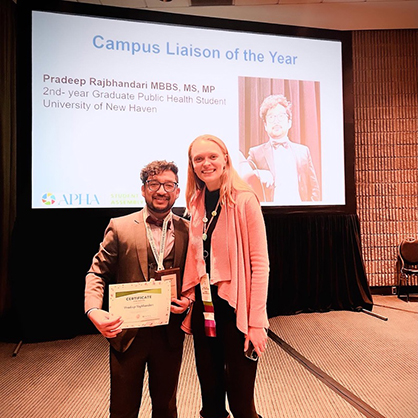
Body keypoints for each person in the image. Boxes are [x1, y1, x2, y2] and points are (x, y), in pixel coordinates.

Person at [84, 160, 190, 418]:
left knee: (166, 408)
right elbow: (97, 272)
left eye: (168, 185)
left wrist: (189, 300)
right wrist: (92, 309)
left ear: (177, 191)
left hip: (169, 334)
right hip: (127, 333)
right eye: (153, 184)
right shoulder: (119, 227)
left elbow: (195, 278)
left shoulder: (188, 230)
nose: (161, 191)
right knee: (122, 409)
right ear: (143, 190)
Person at [181, 134, 270, 418]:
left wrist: (256, 323)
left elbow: (260, 266)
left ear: (226, 159)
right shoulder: (194, 201)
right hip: (204, 310)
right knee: (211, 399)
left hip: (235, 310)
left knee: (242, 403)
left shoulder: (244, 200)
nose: (206, 163)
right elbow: (195, 259)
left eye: (212, 156)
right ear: (192, 165)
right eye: (198, 159)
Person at [242, 94, 320, 203]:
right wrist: (257, 172)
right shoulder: (256, 153)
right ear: (265, 125)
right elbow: (239, 174)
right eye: (271, 117)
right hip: (269, 215)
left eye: (281, 116)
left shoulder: (303, 151)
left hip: (301, 213)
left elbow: (314, 188)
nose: (276, 121)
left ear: (289, 122)